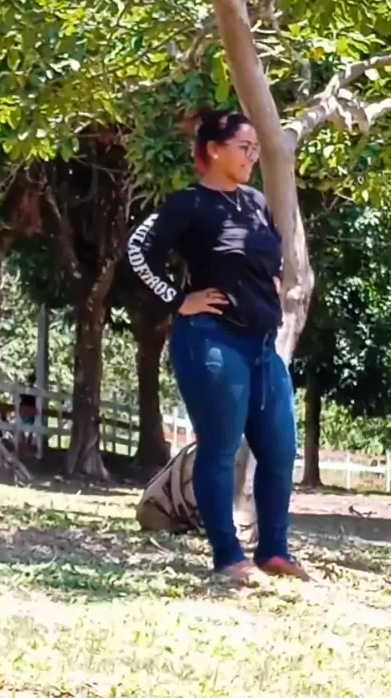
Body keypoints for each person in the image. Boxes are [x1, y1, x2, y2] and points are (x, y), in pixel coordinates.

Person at [128, 107, 308, 585]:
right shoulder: (189, 204)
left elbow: (267, 257)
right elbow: (139, 251)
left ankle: (274, 552)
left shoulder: (255, 203)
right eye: (244, 148)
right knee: (221, 447)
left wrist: (271, 286)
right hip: (212, 339)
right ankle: (228, 557)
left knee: (279, 449)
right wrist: (178, 299)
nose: (252, 156)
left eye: (255, 149)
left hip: (262, 345)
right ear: (214, 150)